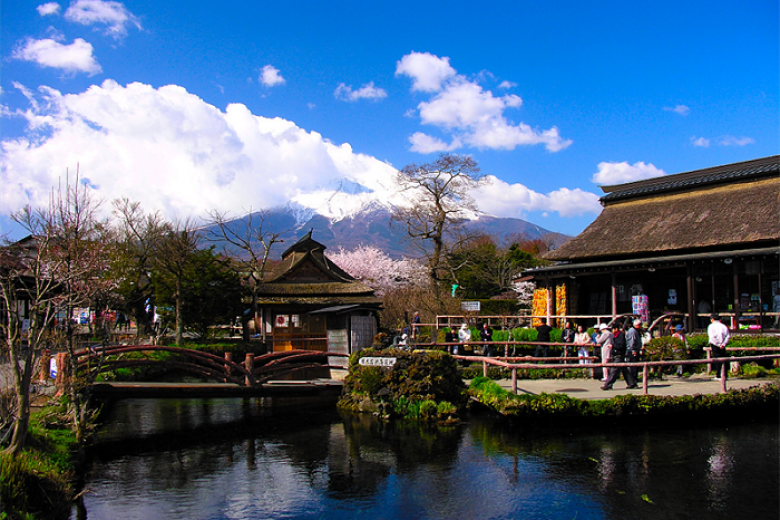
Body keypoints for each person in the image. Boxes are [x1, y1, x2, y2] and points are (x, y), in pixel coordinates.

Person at [601, 323, 637, 390]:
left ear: (616, 329)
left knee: (614, 370)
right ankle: (632, 383)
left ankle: (608, 384)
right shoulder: (616, 336)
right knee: (625, 370)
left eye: (613, 329)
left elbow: (621, 345)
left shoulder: (620, 336)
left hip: (619, 355)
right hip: (617, 354)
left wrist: (613, 346)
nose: (612, 331)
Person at [708, 314, 730, 380]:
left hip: (715, 344)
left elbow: (712, 337)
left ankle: (718, 375)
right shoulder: (723, 326)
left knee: (717, 359)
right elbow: (727, 336)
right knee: (723, 359)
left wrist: (718, 344)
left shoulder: (711, 326)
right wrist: (723, 344)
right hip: (722, 344)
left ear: (712, 319)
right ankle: (725, 374)